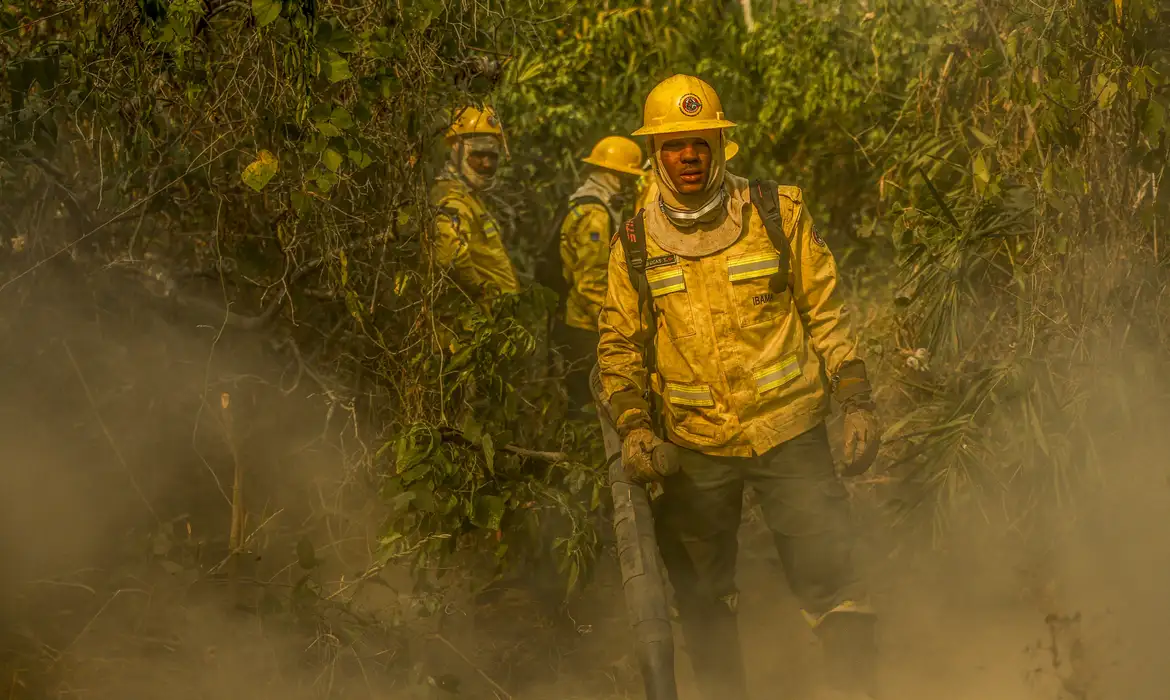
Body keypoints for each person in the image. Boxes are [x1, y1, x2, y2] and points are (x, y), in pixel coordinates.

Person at [595, 74, 883, 700]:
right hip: (696, 446)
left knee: (835, 584)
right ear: (656, 155)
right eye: (675, 146)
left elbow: (826, 312)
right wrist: (636, 428)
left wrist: (856, 399)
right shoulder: (635, 244)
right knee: (701, 601)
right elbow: (618, 346)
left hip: (791, 430)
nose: (689, 156)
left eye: (700, 142)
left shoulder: (776, 213)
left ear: (720, 143)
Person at [557, 135, 645, 415]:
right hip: (587, 326)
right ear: (613, 175)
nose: (630, 186)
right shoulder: (595, 213)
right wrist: (612, 327)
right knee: (590, 410)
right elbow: (589, 282)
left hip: (585, 321)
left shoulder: (589, 202)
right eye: (627, 178)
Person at [430, 105, 519, 309]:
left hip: (488, 322)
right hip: (470, 327)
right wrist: (480, 293)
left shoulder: (469, 196)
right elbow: (449, 255)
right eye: (478, 155)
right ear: (457, 151)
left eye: (493, 156)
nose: (487, 164)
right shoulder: (452, 198)